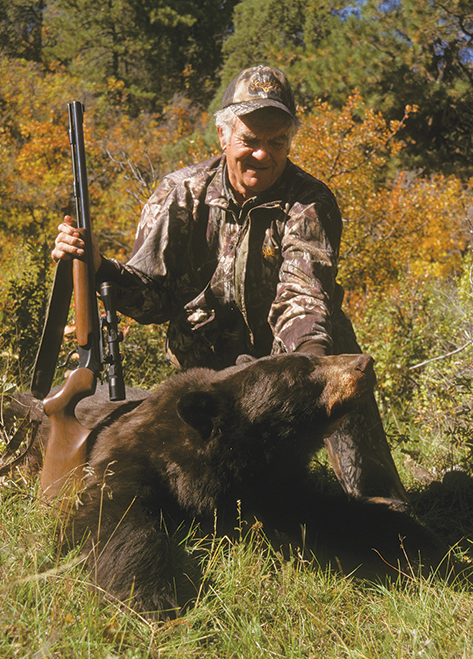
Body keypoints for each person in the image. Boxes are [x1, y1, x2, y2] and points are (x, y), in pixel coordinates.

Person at [52, 65, 408, 505]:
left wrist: (313, 372)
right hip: (209, 378)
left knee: (340, 345)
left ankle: (376, 498)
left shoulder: (310, 202)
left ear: (290, 142)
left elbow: (304, 295)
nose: (263, 154)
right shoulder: (179, 193)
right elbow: (151, 299)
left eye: (276, 141)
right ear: (223, 136)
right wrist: (99, 266)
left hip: (285, 364)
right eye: (250, 140)